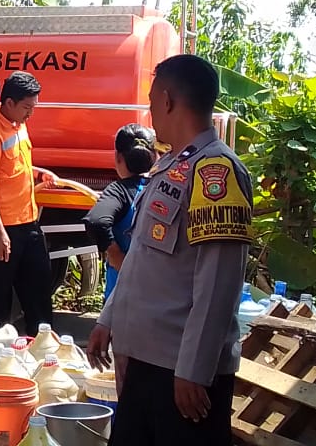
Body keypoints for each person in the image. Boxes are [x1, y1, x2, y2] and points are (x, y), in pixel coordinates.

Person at [86, 54, 253, 446]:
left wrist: (194, 369)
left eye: (150, 100)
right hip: (146, 361)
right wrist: (108, 318)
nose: (149, 110)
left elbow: (218, 281)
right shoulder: (172, 166)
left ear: (166, 99)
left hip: (181, 372)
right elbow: (143, 256)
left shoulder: (216, 171)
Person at [0, 71, 57, 334]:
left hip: (28, 222)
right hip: (1, 228)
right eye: (26, 107)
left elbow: (14, 166)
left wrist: (39, 173)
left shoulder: (19, 124)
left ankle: (41, 351)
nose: (30, 113)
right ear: (9, 103)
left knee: (38, 292)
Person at [81, 124, 157, 300]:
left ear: (118, 157)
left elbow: (96, 222)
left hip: (123, 297)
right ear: (154, 156)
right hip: (163, 296)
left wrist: (116, 256)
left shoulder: (119, 191)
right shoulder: (166, 187)